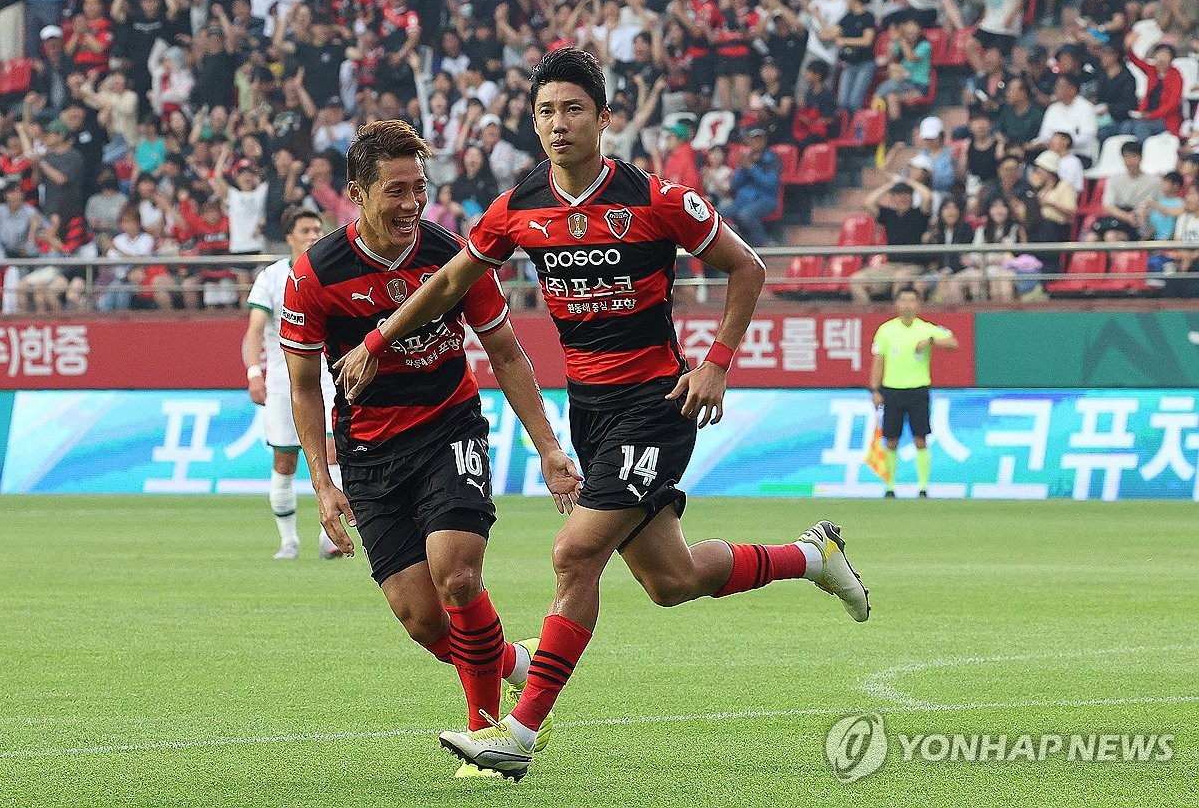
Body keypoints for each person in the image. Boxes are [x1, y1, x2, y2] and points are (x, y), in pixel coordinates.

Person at [332, 48, 871, 780]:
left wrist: (716, 362)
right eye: (547, 111)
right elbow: (452, 278)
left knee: (573, 554)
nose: (558, 124)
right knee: (671, 579)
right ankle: (814, 556)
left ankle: (518, 734)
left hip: (657, 406)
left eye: (573, 109)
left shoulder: (657, 200)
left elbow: (748, 267)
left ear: (604, 117)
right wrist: (376, 338)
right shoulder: (520, 207)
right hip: (591, 413)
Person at [280, 119, 583, 779]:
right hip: (367, 454)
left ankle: (486, 734)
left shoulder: (454, 255)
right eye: (395, 190)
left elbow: (505, 350)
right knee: (422, 618)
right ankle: (517, 666)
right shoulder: (314, 275)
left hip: (450, 429)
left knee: (457, 571)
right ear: (356, 193)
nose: (412, 203)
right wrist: (323, 478)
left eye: (420, 187)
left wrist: (548, 445)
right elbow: (303, 386)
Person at [244, 206, 342, 560]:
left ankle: (327, 537)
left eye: (318, 229)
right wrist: (254, 372)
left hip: (330, 378)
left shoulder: (333, 273)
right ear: (289, 237)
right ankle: (288, 541)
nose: (314, 235)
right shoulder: (270, 278)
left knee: (333, 454)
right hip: (285, 384)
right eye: (306, 230)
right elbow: (255, 329)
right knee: (285, 460)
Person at [869, 287, 960, 497]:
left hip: (918, 389)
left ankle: (923, 487)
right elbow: (878, 361)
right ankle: (890, 486)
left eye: (911, 301)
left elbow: (953, 342)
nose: (907, 305)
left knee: (920, 438)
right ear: (896, 304)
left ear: (918, 305)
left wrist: (931, 341)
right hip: (892, 389)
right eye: (903, 300)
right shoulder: (886, 330)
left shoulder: (926, 329)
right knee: (891, 439)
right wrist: (875, 389)